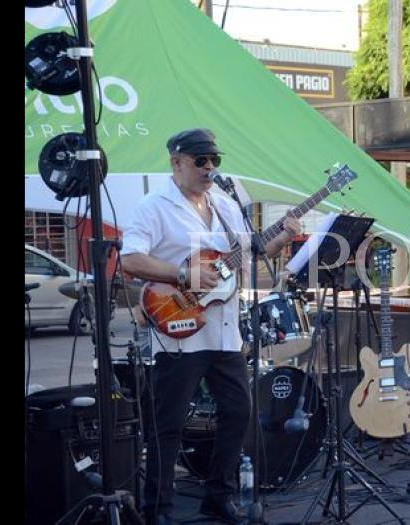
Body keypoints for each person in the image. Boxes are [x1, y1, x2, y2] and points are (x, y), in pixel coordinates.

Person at [120, 128, 300, 525]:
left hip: (224, 332)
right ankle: (158, 507)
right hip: (178, 329)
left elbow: (248, 256)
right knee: (168, 423)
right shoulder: (154, 206)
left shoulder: (225, 204)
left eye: (214, 160)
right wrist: (184, 273)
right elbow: (130, 260)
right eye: (201, 160)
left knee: (239, 412)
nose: (209, 167)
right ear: (176, 162)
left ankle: (219, 496)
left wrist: (281, 238)